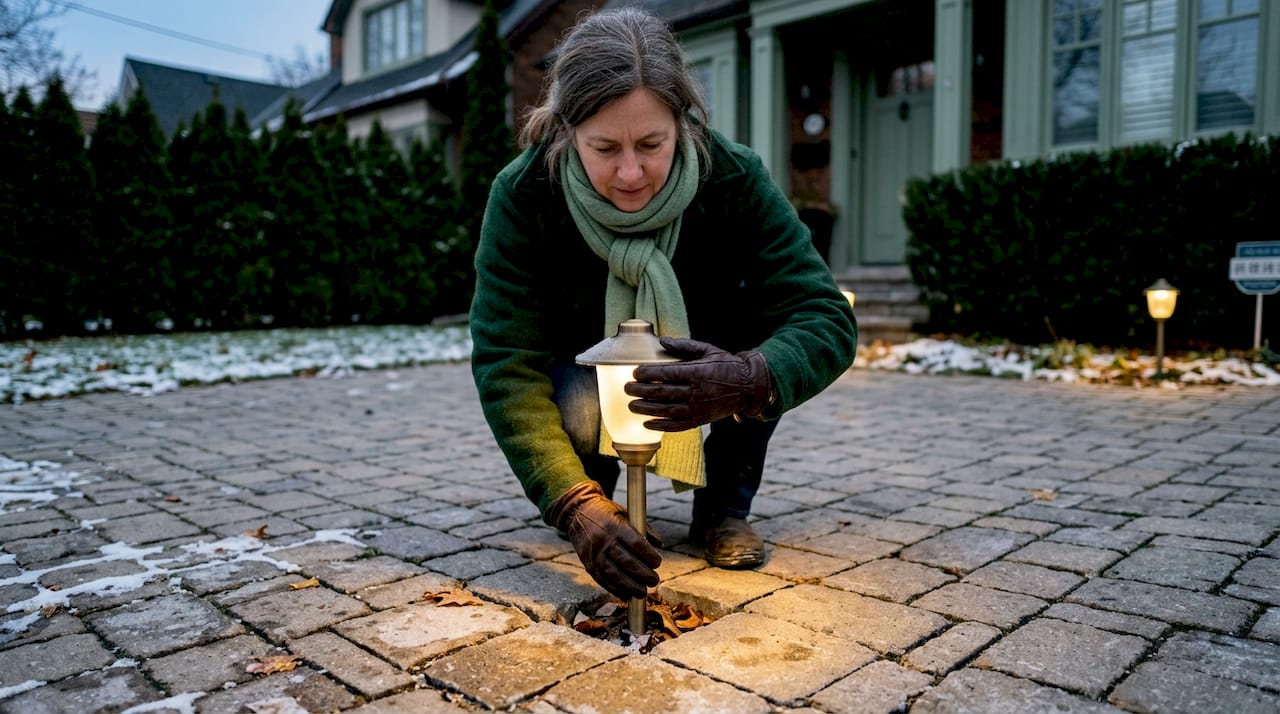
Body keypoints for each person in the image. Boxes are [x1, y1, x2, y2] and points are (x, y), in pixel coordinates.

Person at [469, 7, 857, 602]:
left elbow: (824, 316)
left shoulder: (734, 178)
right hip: (584, 375)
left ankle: (722, 509)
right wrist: (572, 504)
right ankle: (600, 504)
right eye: (604, 147)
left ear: (684, 121)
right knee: (573, 407)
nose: (631, 173)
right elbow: (505, 359)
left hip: (711, 368)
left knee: (762, 352)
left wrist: (747, 378)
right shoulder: (524, 195)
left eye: (652, 143)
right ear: (567, 130)